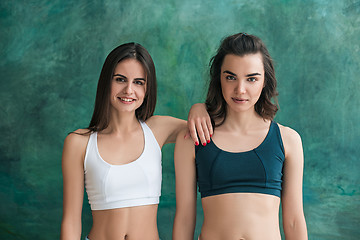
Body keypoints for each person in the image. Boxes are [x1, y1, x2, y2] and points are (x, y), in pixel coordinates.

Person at [60, 42, 211, 240]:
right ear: (107, 81)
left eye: (139, 82)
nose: (129, 90)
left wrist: (198, 107)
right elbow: (71, 221)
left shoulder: (157, 130)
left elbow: (200, 127)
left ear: (147, 89)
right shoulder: (79, 143)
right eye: (120, 80)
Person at [173, 33, 308, 240]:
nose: (240, 89)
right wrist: (198, 107)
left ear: (265, 81)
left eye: (251, 78)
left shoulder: (288, 140)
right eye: (231, 77)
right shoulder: (193, 139)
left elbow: (294, 221)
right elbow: (184, 219)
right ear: (219, 78)